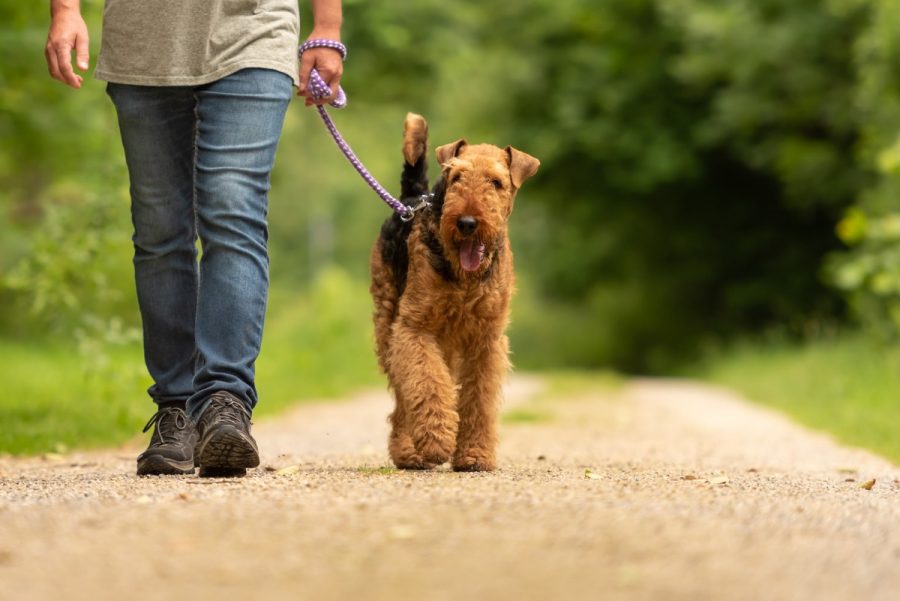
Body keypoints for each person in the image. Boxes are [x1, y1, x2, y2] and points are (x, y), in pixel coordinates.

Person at [45, 0, 344, 477]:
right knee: (160, 231)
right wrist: (65, 10)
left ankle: (225, 402)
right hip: (142, 46)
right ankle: (177, 408)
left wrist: (326, 29)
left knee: (233, 212)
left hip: (254, 31)